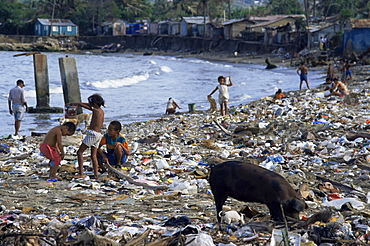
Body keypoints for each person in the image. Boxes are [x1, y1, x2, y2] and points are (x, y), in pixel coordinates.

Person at [67, 94, 105, 180]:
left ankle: (81, 173)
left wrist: (75, 103)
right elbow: (87, 105)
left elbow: (83, 105)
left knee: (80, 152)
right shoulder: (101, 111)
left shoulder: (95, 110)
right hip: (98, 134)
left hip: (92, 134)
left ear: (94, 103)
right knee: (93, 155)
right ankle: (96, 175)